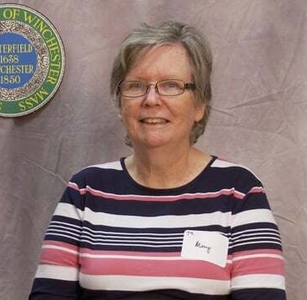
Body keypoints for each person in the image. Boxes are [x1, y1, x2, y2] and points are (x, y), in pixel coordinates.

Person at [29, 21, 286, 299]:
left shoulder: (239, 191)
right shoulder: (86, 190)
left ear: (200, 104)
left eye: (171, 85)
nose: (151, 99)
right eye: (136, 85)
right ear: (120, 104)